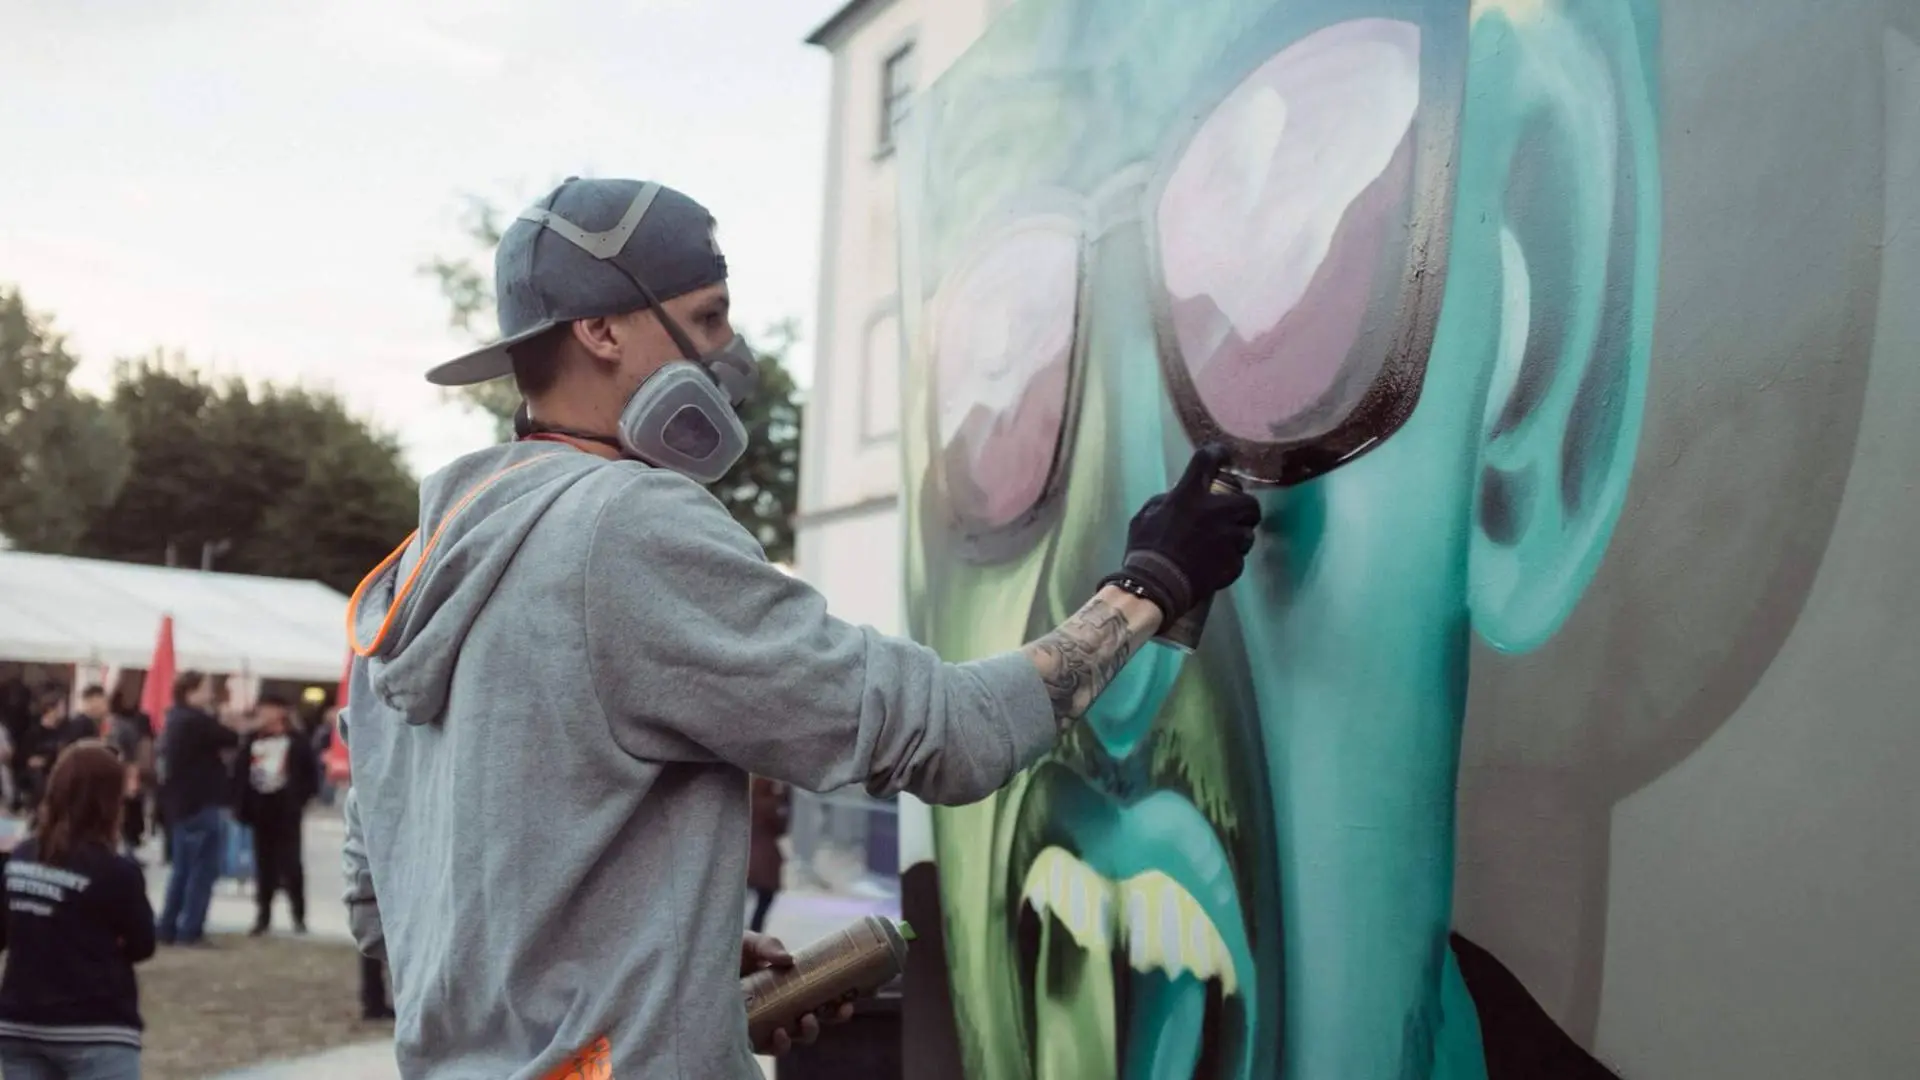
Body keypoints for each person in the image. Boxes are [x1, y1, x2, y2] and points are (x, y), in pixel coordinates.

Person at [338, 176, 1261, 1079]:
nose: (729, 350)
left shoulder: (410, 577)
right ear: (602, 330)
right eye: (705, 316)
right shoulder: (626, 528)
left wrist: (668, 958)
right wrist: (1149, 585)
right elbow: (946, 736)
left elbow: (386, 906)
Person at [0, 741, 157, 1078]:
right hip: (95, 1025)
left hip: (20, 1020)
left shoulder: (22, 857)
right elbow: (142, 944)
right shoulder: (117, 871)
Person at [154, 672, 242, 947]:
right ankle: (190, 929)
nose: (210, 694)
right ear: (190, 692)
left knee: (182, 869)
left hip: (181, 806)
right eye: (204, 689)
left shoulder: (175, 719)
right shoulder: (195, 720)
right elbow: (231, 737)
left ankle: (168, 926)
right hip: (200, 804)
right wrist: (224, 717)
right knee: (202, 870)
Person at [233, 695, 317, 935]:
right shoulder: (252, 740)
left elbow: (310, 775)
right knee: (264, 865)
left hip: (287, 811)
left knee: (291, 864)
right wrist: (240, 806)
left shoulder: (297, 741)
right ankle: (263, 915)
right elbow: (240, 775)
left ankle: (298, 916)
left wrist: (300, 799)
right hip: (261, 810)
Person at [105, 692, 153, 860]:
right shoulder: (124, 727)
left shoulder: (119, 728)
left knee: (126, 816)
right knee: (126, 816)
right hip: (120, 777)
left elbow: (130, 758)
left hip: (120, 777)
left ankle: (127, 851)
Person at [746, 776, 788, 934]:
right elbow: (782, 828)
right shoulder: (771, 804)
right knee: (765, 899)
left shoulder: (748, 801)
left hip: (746, 858)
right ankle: (755, 931)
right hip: (765, 862)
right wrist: (785, 798)